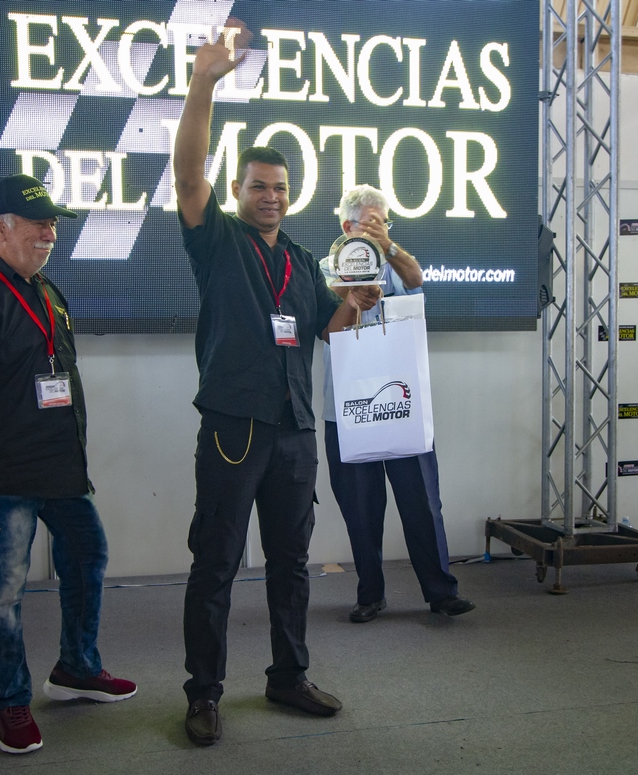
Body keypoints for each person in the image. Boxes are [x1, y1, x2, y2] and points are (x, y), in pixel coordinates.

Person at [172, 23, 379, 746]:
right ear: (239, 190)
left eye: (281, 188)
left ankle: (288, 675)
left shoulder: (299, 259)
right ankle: (203, 694)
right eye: (259, 186)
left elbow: (332, 329)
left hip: (293, 431)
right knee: (218, 564)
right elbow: (188, 175)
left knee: (292, 562)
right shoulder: (216, 238)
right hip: (234, 429)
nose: (271, 196)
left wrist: (358, 302)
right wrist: (204, 83)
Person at [0, 174, 137, 755]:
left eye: (52, 224)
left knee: (88, 554)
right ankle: (9, 704)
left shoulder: (46, 290)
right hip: (5, 481)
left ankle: (76, 668)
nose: (50, 234)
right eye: (38, 224)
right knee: (3, 594)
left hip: (61, 472)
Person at [320, 185, 475, 623]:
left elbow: (417, 278)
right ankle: (370, 593)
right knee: (361, 509)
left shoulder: (395, 262)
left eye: (383, 221)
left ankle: (441, 591)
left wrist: (385, 246)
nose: (377, 228)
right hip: (348, 412)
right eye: (369, 222)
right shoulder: (325, 266)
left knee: (423, 502)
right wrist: (353, 286)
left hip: (404, 407)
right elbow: (330, 297)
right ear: (346, 225)